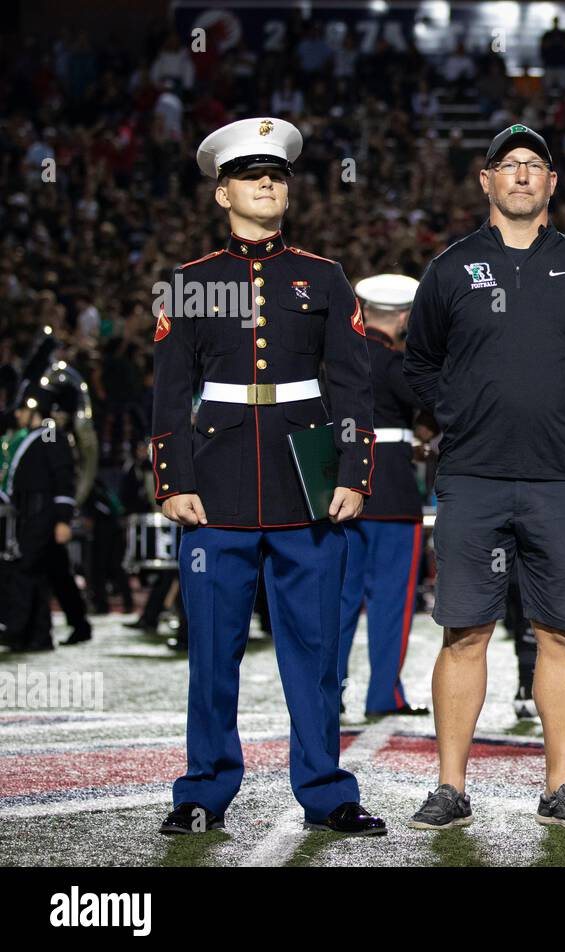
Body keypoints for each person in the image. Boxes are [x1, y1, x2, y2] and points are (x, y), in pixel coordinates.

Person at [152, 117, 386, 837]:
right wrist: (172, 478)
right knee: (212, 654)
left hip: (306, 488)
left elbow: (351, 386)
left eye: (277, 175)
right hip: (214, 489)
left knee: (314, 654)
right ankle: (202, 790)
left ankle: (326, 791)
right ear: (222, 191)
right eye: (251, 175)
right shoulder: (189, 283)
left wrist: (355, 470)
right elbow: (168, 390)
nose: (266, 184)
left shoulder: (323, 276)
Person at [403, 124, 565, 831]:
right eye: (510, 165)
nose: (523, 175)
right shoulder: (449, 268)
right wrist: (459, 414)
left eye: (536, 166)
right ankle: (450, 786)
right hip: (472, 474)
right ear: (487, 180)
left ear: (553, 183)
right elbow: (418, 362)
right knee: (463, 630)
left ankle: (560, 785)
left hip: (561, 478)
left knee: (563, 632)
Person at [337, 273, 433, 718]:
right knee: (391, 601)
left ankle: (328, 690)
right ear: (402, 317)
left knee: (338, 600)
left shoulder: (336, 360)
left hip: (340, 491)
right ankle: (383, 694)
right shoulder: (395, 363)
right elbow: (438, 398)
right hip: (391, 492)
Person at [0, 361, 80, 652]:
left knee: (25, 572)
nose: (18, 415)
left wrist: (62, 518)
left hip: (41, 514)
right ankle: (37, 635)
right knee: (36, 576)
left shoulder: (48, 434)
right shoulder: (31, 437)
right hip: (30, 513)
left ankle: (18, 629)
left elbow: (62, 477)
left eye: (22, 410)